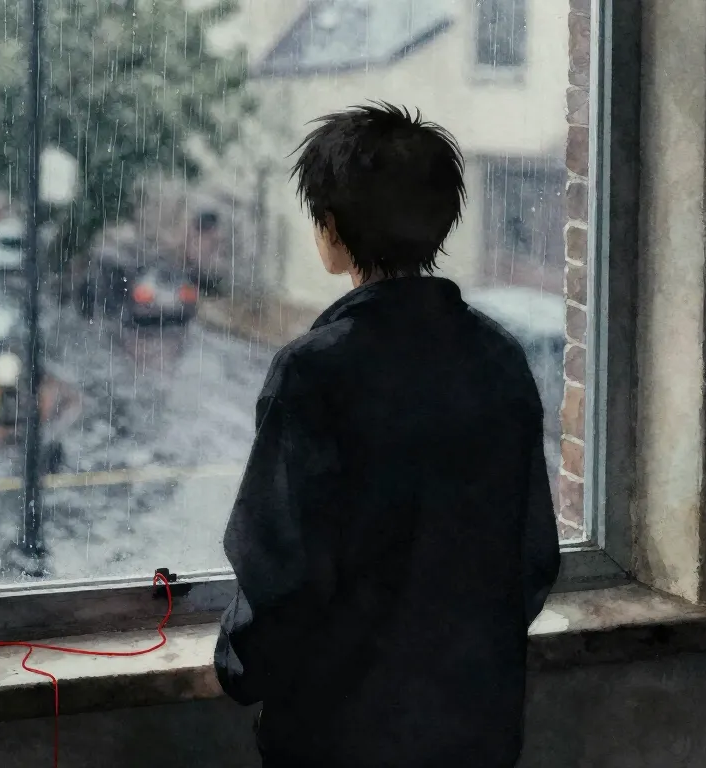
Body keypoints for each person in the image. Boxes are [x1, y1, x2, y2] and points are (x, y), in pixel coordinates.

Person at [214, 103, 561, 768]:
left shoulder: (315, 370)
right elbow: (531, 554)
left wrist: (240, 666)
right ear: (442, 220)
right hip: (475, 727)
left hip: (339, 736)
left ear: (330, 229)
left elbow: (281, 569)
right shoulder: (498, 357)